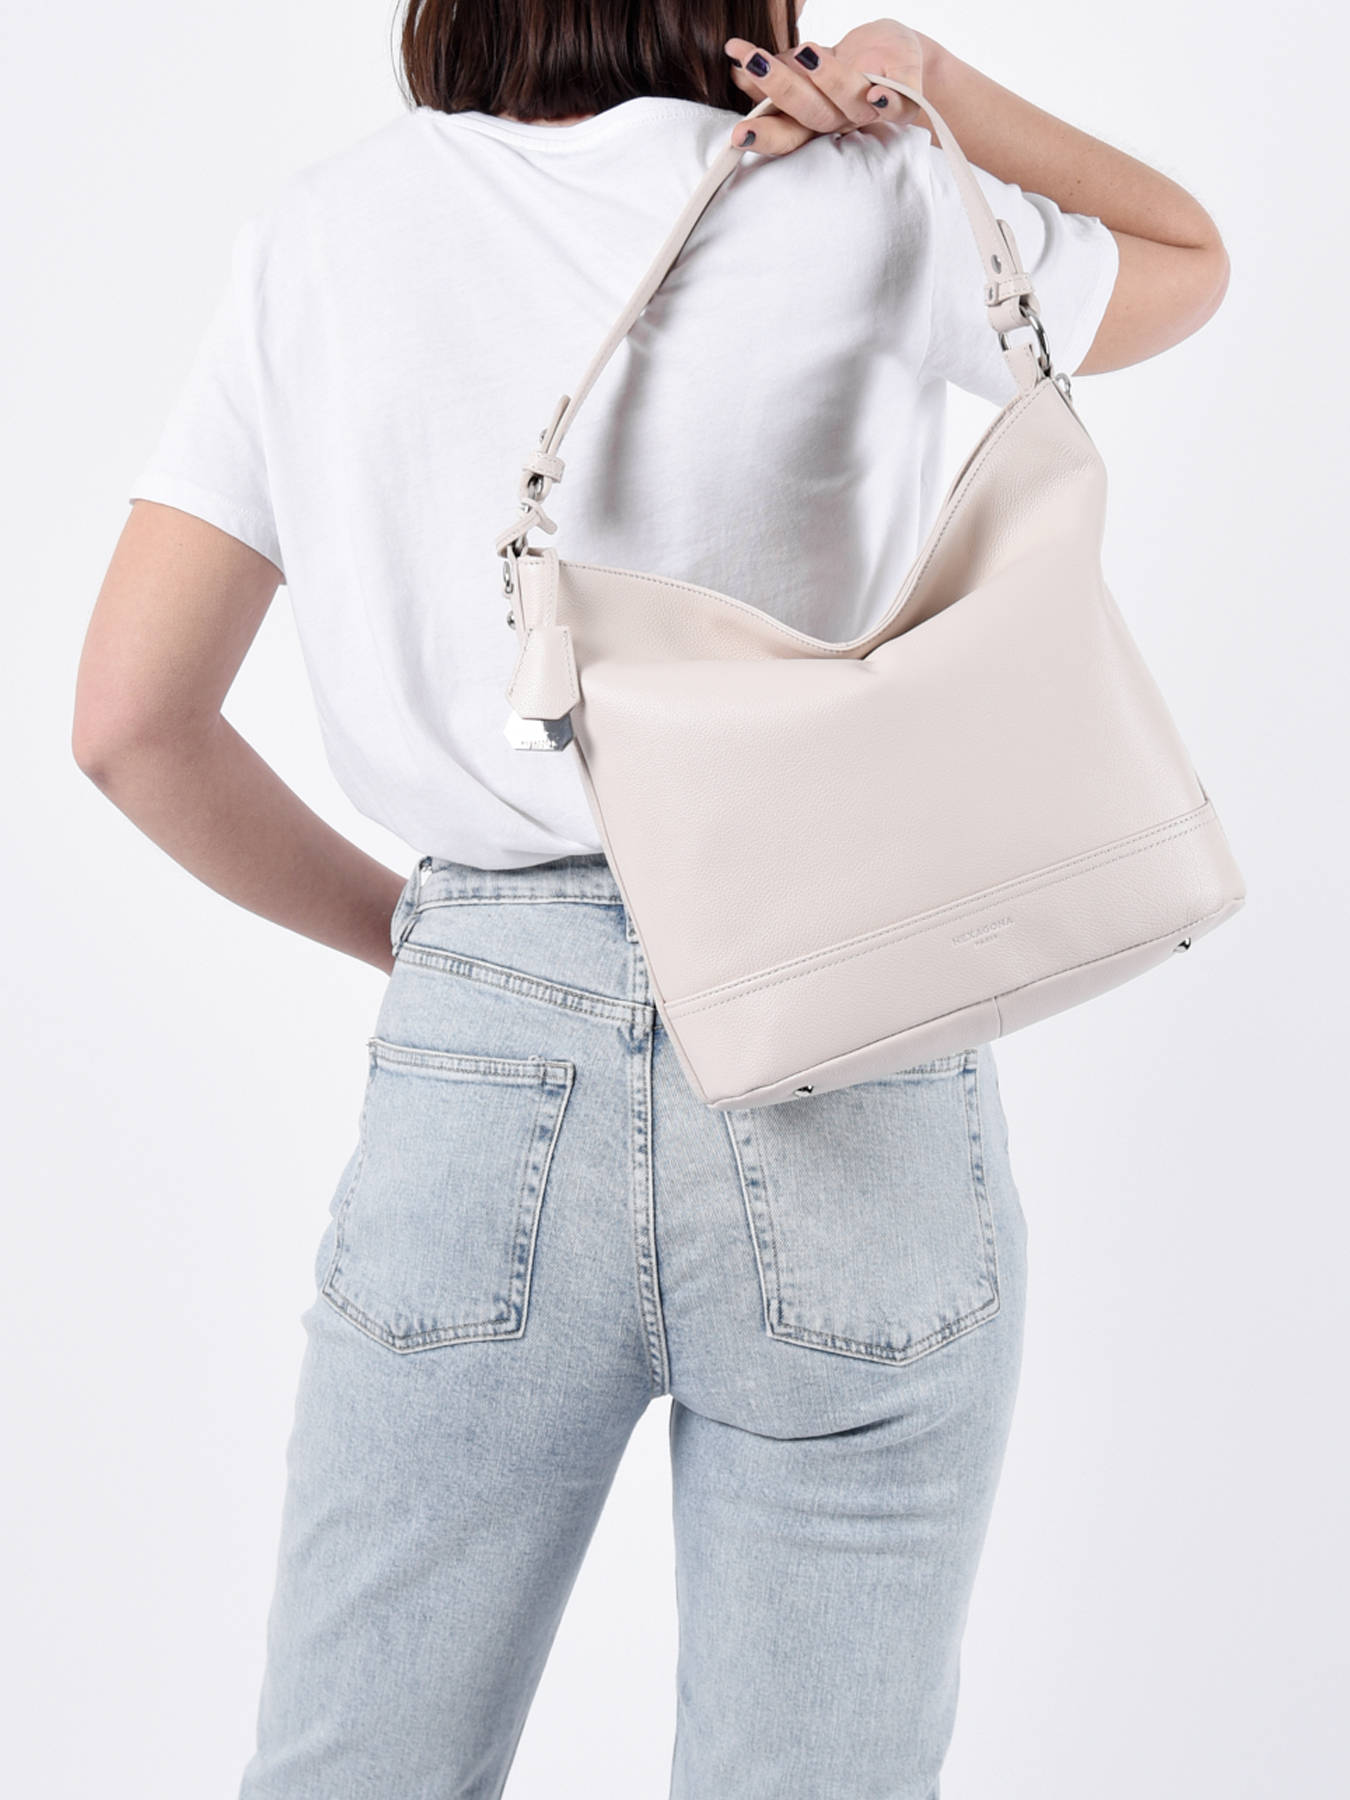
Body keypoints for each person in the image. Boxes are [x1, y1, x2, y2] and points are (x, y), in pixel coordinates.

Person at [71, 3, 1230, 1794]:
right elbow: (1187, 259)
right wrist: (932, 90)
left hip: (479, 1054)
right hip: (852, 1028)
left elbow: (131, 725)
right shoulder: (865, 205)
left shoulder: (328, 234)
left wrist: (433, 948)